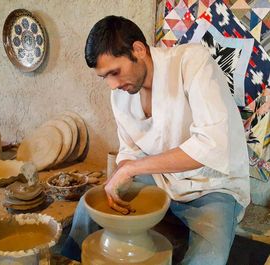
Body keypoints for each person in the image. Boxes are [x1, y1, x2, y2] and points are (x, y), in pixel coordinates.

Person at [61, 15, 250, 265]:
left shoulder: (191, 62)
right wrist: (122, 173)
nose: (112, 85)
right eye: (104, 77)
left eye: (115, 72)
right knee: (89, 207)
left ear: (138, 50)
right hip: (162, 178)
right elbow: (130, 150)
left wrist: (133, 168)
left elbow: (212, 144)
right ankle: (71, 260)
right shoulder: (121, 93)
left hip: (212, 183)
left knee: (209, 259)